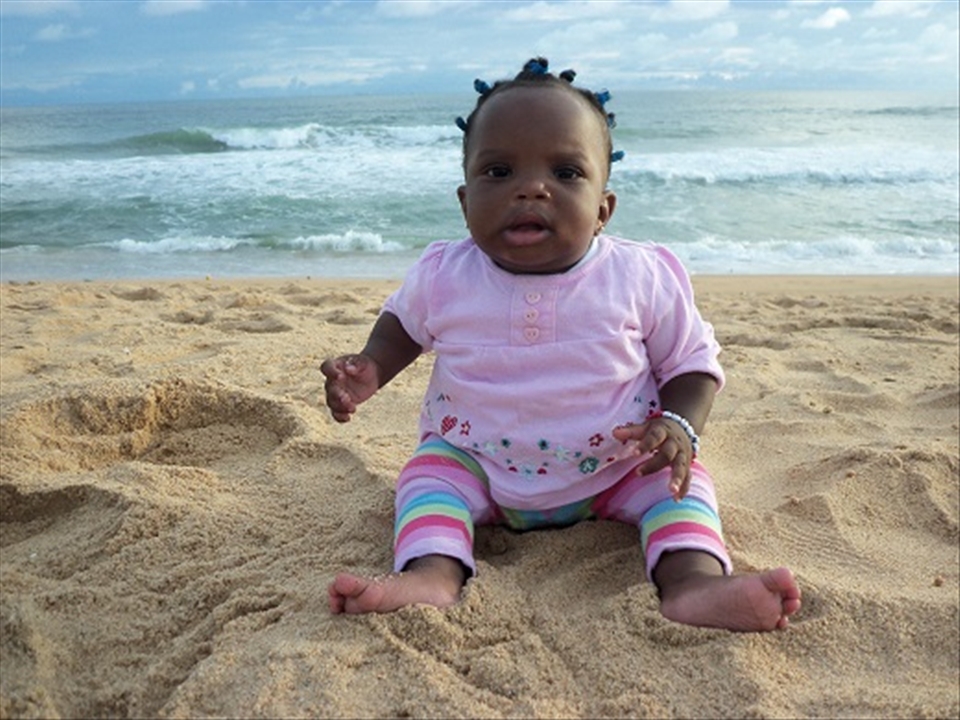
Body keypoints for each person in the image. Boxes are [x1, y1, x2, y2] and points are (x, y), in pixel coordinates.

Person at [322, 58, 801, 632]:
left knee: (681, 481)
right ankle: (432, 575)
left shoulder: (641, 276)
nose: (531, 188)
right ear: (464, 199)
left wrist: (677, 422)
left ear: (603, 208)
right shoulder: (445, 274)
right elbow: (402, 327)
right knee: (426, 477)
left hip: (617, 466)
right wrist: (370, 368)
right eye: (498, 172)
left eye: (567, 172)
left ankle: (692, 583)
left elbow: (692, 362)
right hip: (478, 465)